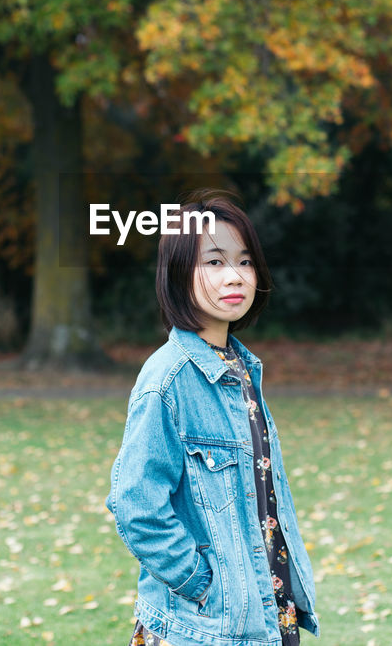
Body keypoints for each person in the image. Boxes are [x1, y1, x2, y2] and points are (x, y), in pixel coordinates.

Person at [106, 189, 319, 646]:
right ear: (179, 274)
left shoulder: (241, 369)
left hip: (266, 617)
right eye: (215, 262)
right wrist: (203, 585)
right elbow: (135, 505)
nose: (235, 276)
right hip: (203, 628)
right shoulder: (168, 379)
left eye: (244, 262)